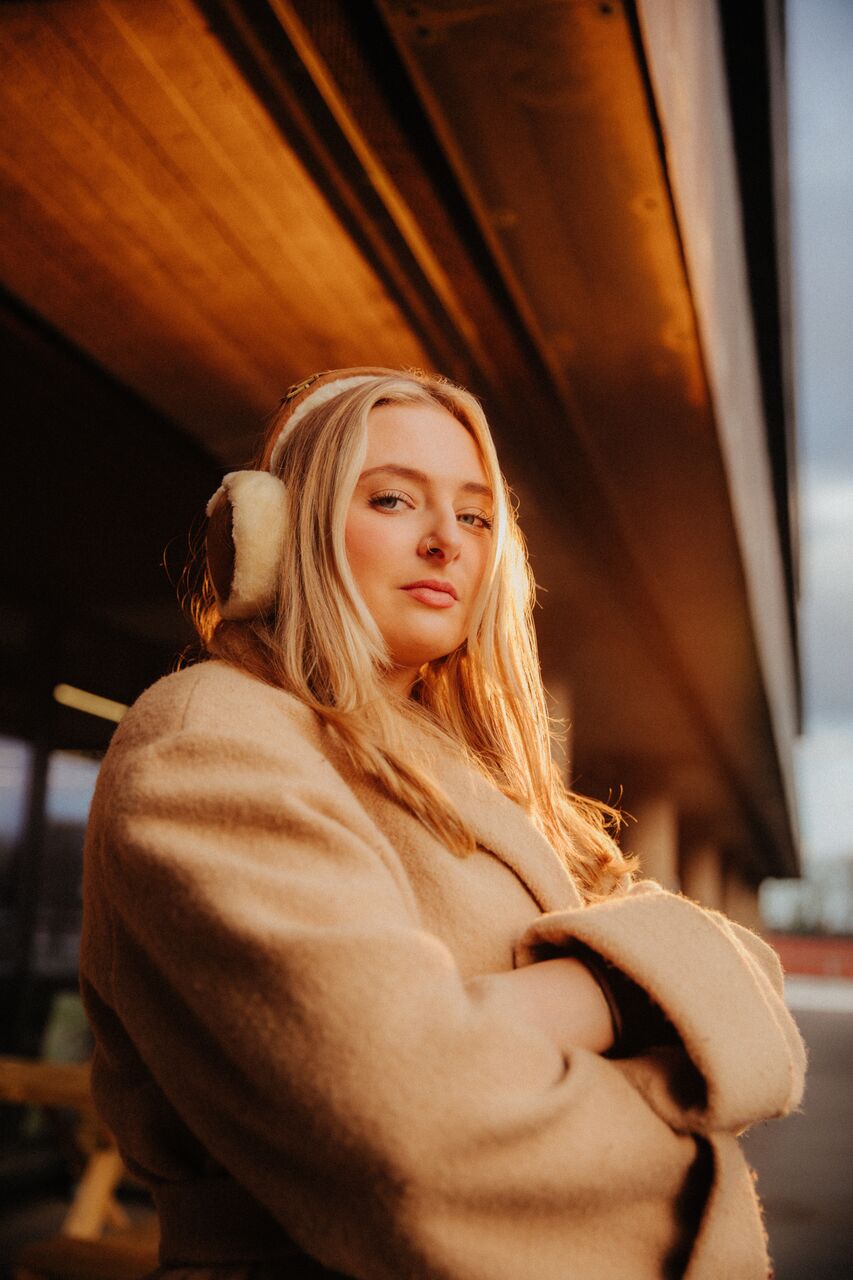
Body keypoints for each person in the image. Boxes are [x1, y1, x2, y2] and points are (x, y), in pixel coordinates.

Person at [81, 367, 805, 1280]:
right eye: (392, 499)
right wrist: (627, 996)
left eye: (474, 516)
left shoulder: (467, 767)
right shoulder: (209, 734)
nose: (444, 544)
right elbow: (391, 1111)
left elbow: (750, 974)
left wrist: (488, 1023)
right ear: (277, 523)